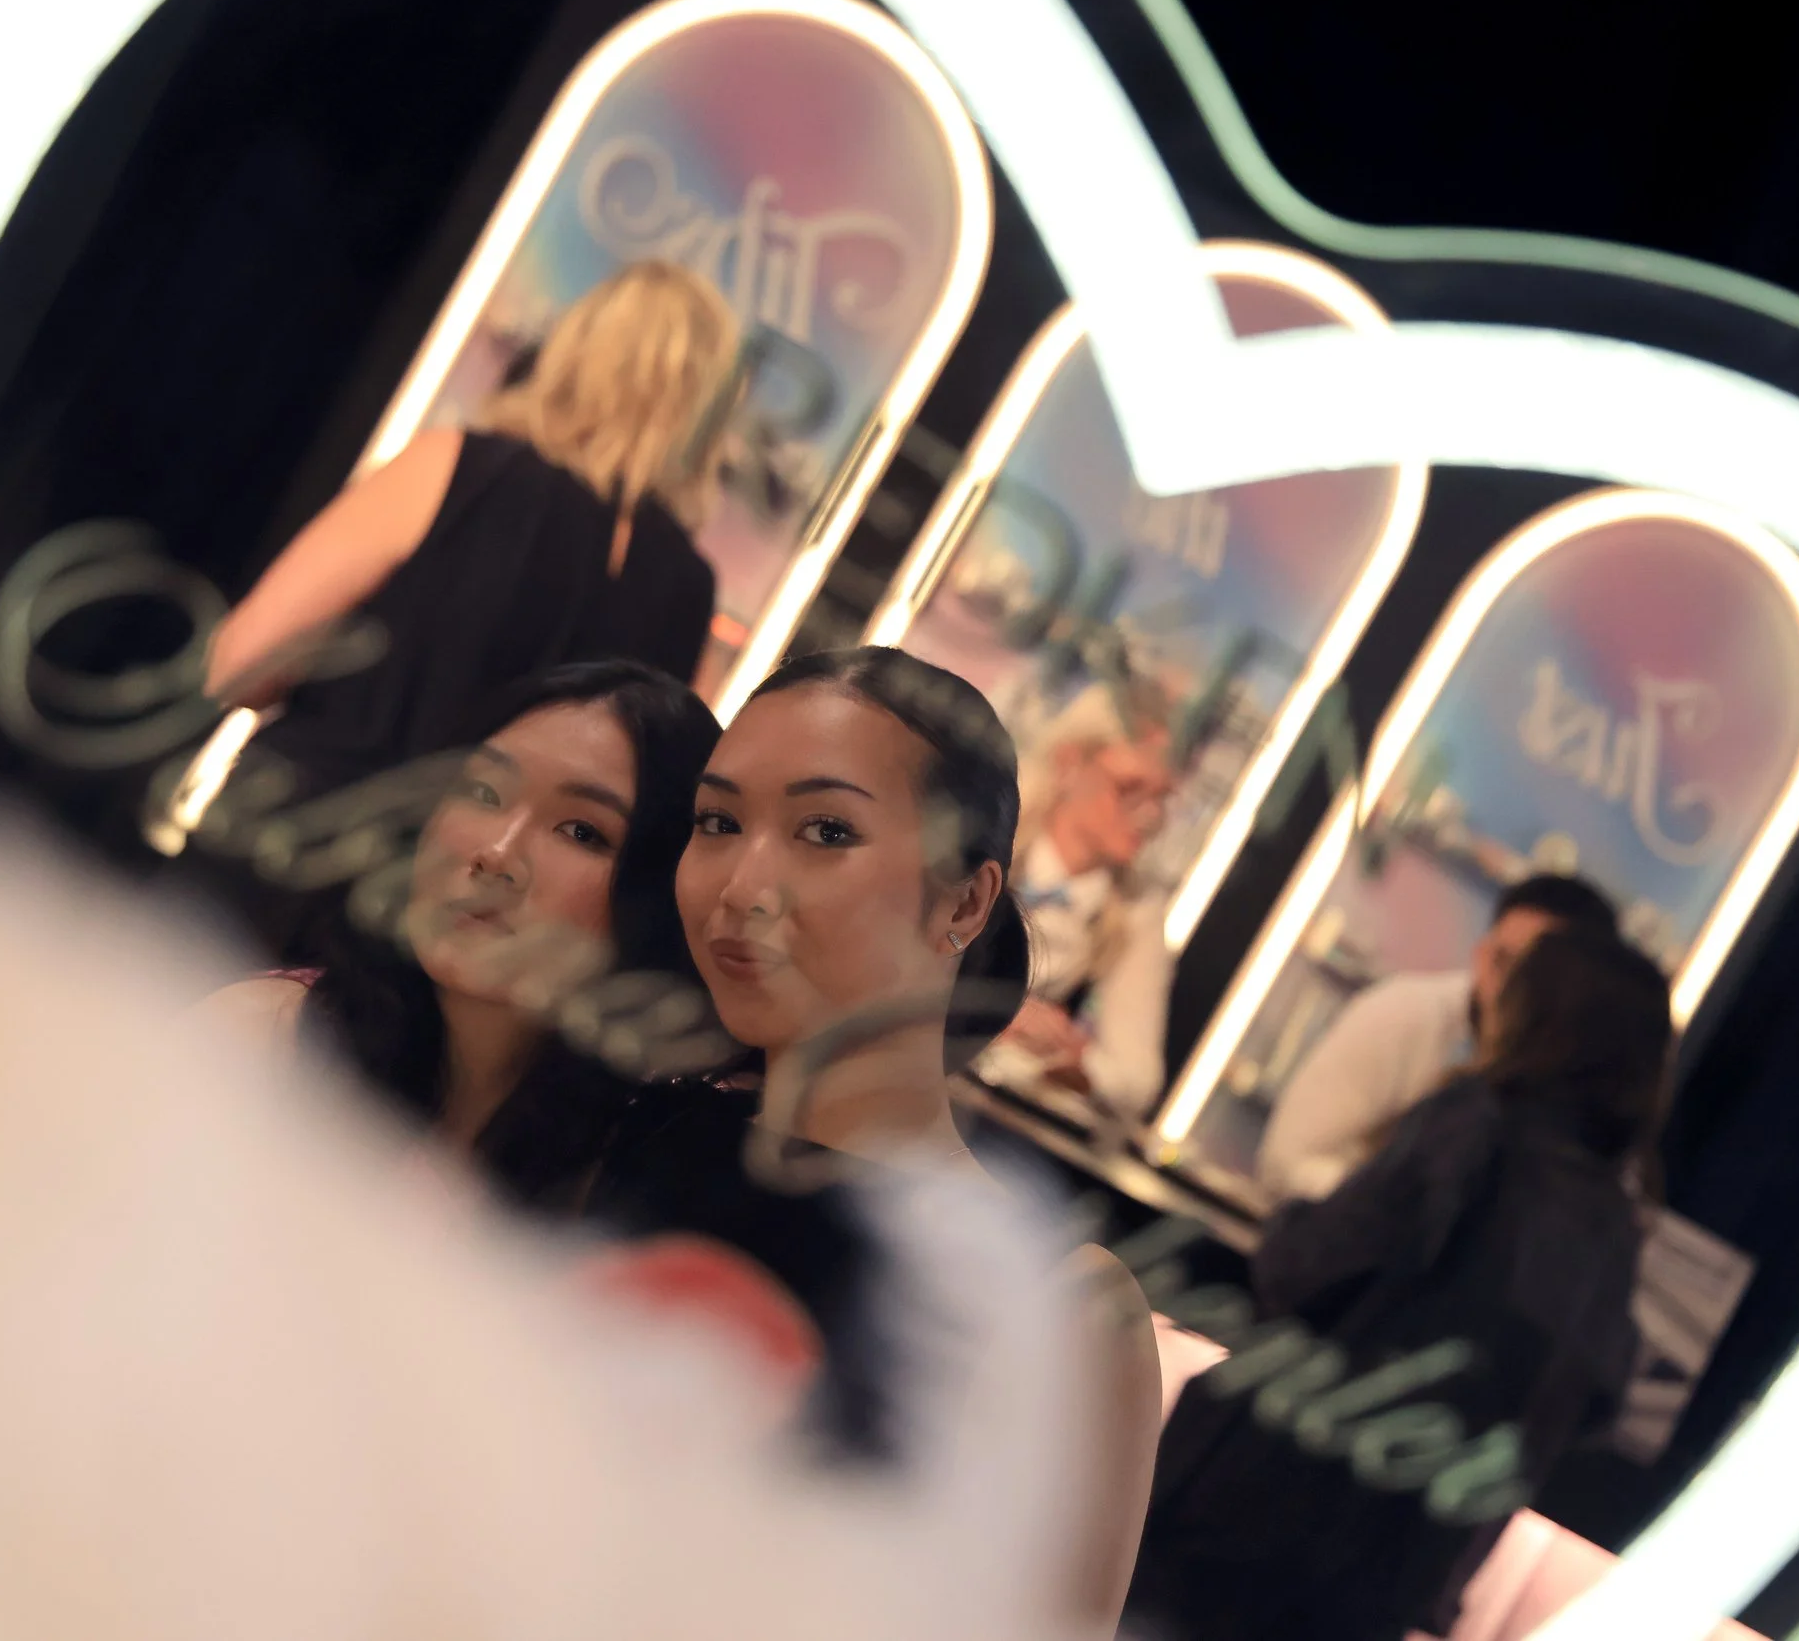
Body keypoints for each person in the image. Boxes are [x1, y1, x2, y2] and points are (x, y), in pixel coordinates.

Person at [580, 646, 1163, 1633]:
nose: (741, 883)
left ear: (966, 902)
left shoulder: (1061, 1307)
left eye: (824, 831)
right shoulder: (606, 1129)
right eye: (717, 822)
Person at [1129, 925, 1667, 1641]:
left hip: (1259, 1506)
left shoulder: (1476, 1125)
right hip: (1391, 1574)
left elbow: (1307, 1265)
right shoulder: (1613, 1227)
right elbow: (1591, 1405)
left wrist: (1295, 1218)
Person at [202, 260, 739, 798]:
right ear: (708, 414)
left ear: (571, 353)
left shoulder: (451, 468)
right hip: (482, 877)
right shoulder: (691, 591)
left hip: (297, 835)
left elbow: (241, 661)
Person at [201, 660, 720, 1212]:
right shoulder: (257, 1037)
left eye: (582, 831)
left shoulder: (627, 1173)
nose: (497, 854)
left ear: (662, 893)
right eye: (484, 792)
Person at [1255, 871, 1619, 1203]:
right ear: (1481, 953)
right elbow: (1287, 1158)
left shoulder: (1582, 1086)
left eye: (1534, 976)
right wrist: (1389, 1217)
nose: (1506, 988)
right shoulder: (1406, 1013)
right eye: (1501, 961)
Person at [981, 679, 1182, 1117]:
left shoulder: (1138, 911)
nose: (1149, 816)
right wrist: (988, 1015)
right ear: (1069, 763)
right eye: (1130, 789)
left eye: (1163, 798)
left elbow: (1137, 1080)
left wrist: (1075, 1061)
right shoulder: (984, 829)